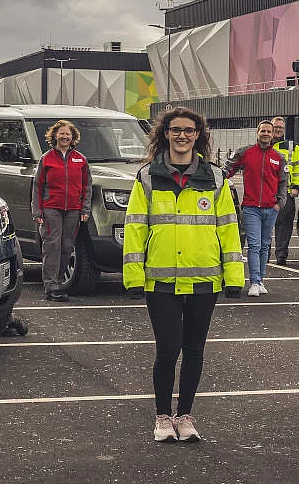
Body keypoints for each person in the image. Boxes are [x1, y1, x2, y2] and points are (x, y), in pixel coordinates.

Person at [122, 107, 245, 442]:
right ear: (166, 134)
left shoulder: (215, 178)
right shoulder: (147, 177)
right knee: (168, 349)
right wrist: (133, 275)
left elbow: (228, 229)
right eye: (175, 130)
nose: (182, 136)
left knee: (194, 349)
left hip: (205, 281)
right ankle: (163, 416)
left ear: (197, 135)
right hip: (160, 281)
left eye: (188, 131)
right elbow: (135, 228)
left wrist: (234, 276)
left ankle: (185, 416)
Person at [225, 120, 287, 296]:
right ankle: (254, 282)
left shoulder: (278, 157)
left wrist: (279, 204)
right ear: (257, 133)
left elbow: (283, 183)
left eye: (269, 131)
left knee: (265, 245)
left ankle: (260, 280)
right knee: (254, 245)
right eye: (263, 131)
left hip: (271, 208)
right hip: (251, 207)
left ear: (273, 133)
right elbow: (228, 168)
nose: (266, 134)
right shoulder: (246, 152)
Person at [32, 119, 92, 302]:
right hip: (51, 209)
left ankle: (58, 282)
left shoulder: (81, 160)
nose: (65, 136)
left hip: (74, 210)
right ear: (55, 135)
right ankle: (51, 286)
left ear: (73, 137)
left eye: (68, 134)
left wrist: (85, 208)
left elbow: (87, 186)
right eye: (62, 133)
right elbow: (37, 185)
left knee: (67, 246)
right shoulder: (47, 158)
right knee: (52, 246)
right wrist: (37, 211)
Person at [269, 116, 299, 263]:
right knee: (265, 226)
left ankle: (281, 256)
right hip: (266, 192)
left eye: (280, 127)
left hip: (286, 192)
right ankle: (264, 255)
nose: (277, 130)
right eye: (275, 127)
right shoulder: (264, 144)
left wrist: (296, 186)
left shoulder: (292, 146)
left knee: (284, 226)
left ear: (284, 130)